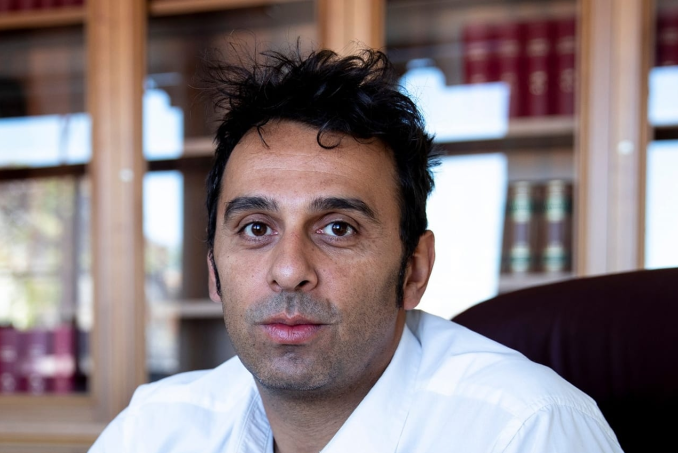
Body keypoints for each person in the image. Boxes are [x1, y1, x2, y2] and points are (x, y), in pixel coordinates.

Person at [90, 46, 623, 453]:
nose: (289, 270)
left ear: (414, 271)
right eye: (255, 228)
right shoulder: (154, 430)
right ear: (213, 272)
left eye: (338, 228)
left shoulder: (526, 431)